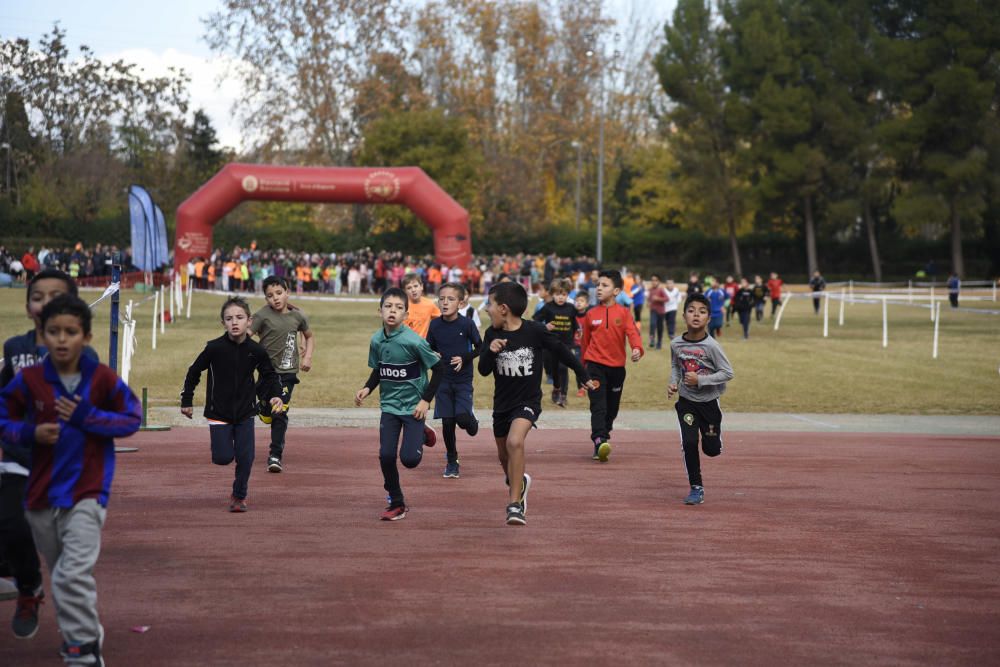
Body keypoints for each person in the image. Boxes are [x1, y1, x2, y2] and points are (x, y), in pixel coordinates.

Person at [0, 294, 141, 665]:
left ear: (87, 337)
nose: (62, 339)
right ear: (42, 337)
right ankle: (87, 632)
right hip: (40, 496)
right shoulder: (29, 380)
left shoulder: (101, 379)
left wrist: (87, 417)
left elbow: (131, 418)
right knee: (64, 573)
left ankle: (82, 650)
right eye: (54, 332)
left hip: (87, 491)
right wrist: (29, 433)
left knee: (70, 574)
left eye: (71, 332)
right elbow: (4, 420)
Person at [1, 269, 103, 642]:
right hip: (19, 458)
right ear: (28, 307)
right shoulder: (14, 348)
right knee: (11, 525)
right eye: (38, 297)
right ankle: (28, 589)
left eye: (57, 296)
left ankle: (78, 625)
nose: (46, 303)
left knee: (63, 552)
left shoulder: (85, 353)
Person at [478, 282, 595, 525]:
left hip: (528, 402)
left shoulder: (535, 331)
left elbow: (563, 351)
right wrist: (490, 351)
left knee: (515, 441)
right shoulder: (492, 334)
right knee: (503, 456)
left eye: (489, 305)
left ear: (503, 308)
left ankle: (514, 505)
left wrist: (583, 375)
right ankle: (519, 483)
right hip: (502, 405)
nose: (486, 310)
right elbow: (483, 370)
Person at [181, 296, 284, 513]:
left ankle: (239, 495)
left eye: (239, 317)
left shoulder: (256, 350)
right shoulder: (214, 348)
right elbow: (194, 372)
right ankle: (223, 447)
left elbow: (270, 375)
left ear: (249, 321)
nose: (234, 322)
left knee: (246, 457)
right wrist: (187, 400)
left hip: (246, 411)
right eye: (229, 319)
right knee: (222, 457)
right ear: (223, 323)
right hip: (219, 412)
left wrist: (276, 396)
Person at [355, 288, 444, 521]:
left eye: (398, 308)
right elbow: (379, 368)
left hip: (414, 408)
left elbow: (439, 369)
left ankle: (422, 433)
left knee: (410, 460)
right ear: (380, 311)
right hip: (390, 407)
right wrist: (367, 388)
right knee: (385, 456)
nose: (392, 311)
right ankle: (397, 502)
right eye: (388, 306)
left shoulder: (414, 342)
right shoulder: (376, 340)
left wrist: (426, 401)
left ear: (406, 315)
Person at [666, 293, 734, 506]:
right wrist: (673, 382)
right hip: (686, 401)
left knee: (711, 450)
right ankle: (696, 487)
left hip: (709, 403)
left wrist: (701, 379)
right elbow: (676, 366)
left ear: (708, 318)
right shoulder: (676, 344)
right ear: (684, 315)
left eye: (702, 311)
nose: (696, 315)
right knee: (689, 442)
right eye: (692, 310)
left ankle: (715, 439)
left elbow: (727, 373)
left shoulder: (712, 346)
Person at [249, 276, 314, 473]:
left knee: (280, 412)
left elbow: (309, 336)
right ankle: (262, 407)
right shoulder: (262, 316)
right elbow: (247, 336)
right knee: (267, 414)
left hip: (287, 373)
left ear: (287, 292)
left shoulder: (298, 316)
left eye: (279, 293)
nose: (275, 298)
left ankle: (275, 454)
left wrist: (307, 357)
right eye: (270, 295)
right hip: (266, 373)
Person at [580, 270, 644, 462]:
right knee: (598, 406)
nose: (599, 288)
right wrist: (582, 370)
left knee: (612, 409)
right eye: (598, 285)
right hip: (594, 366)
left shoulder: (624, 314)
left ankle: (604, 435)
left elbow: (633, 334)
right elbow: (585, 343)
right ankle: (599, 441)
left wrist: (637, 349)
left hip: (617, 369)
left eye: (604, 285)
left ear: (616, 291)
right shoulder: (591, 314)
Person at [427, 282, 482, 479]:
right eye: (441, 299)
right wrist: (433, 354)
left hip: (463, 380)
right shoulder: (434, 325)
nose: (445, 302)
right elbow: (428, 348)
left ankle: (471, 420)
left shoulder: (467, 324)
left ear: (460, 303)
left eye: (450, 299)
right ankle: (452, 460)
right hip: (442, 379)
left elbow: (480, 347)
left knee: (462, 420)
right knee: (448, 422)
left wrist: (464, 357)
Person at [533, 280, 579, 407]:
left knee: (563, 368)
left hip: (566, 344)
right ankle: (556, 388)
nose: (561, 297)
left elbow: (574, 322)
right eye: (558, 294)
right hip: (550, 343)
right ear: (552, 294)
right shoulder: (548, 307)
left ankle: (563, 395)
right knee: (554, 369)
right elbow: (536, 319)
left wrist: (578, 330)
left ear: (567, 295)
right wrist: (545, 326)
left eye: (564, 295)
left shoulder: (571, 308)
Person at [402, 272, 441, 338]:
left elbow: (441, 319)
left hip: (422, 345)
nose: (413, 290)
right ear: (405, 291)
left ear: (421, 287)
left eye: (415, 286)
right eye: (409, 288)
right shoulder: (402, 306)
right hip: (406, 345)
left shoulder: (429, 304)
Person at [646, 275, 669, 350]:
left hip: (661, 312)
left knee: (660, 328)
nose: (654, 282)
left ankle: (659, 343)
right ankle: (652, 340)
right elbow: (649, 299)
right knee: (652, 324)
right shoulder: (650, 290)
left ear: (658, 282)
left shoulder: (661, 290)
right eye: (652, 280)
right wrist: (648, 303)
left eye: (655, 280)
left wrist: (658, 298)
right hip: (653, 310)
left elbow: (667, 299)